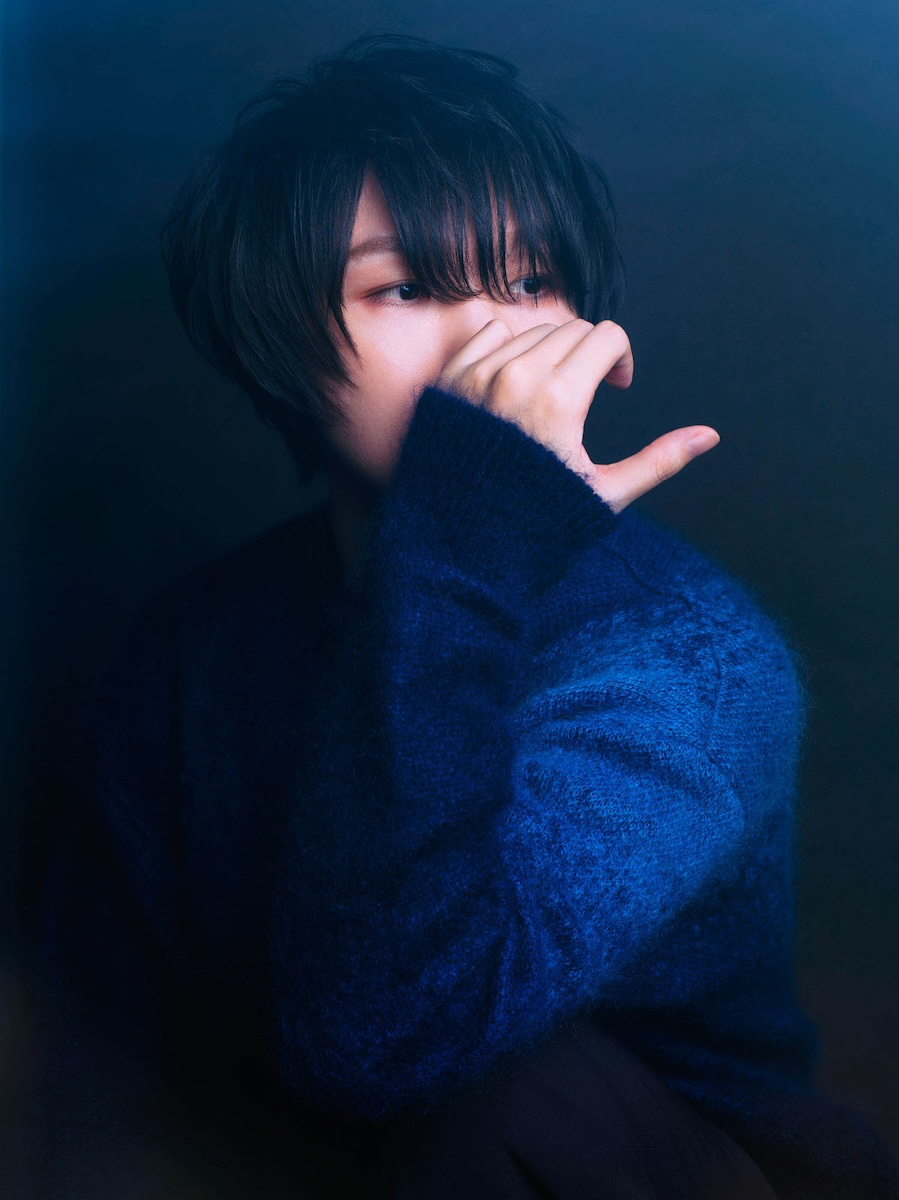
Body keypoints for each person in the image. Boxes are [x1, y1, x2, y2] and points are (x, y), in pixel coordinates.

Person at [23, 31, 899, 1200]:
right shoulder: (194, 647)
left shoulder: (685, 657)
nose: (494, 343)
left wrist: (467, 530)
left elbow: (388, 1038)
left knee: (497, 1082)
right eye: (407, 287)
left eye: (530, 282)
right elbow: (99, 1075)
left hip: (642, 1165)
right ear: (270, 336)